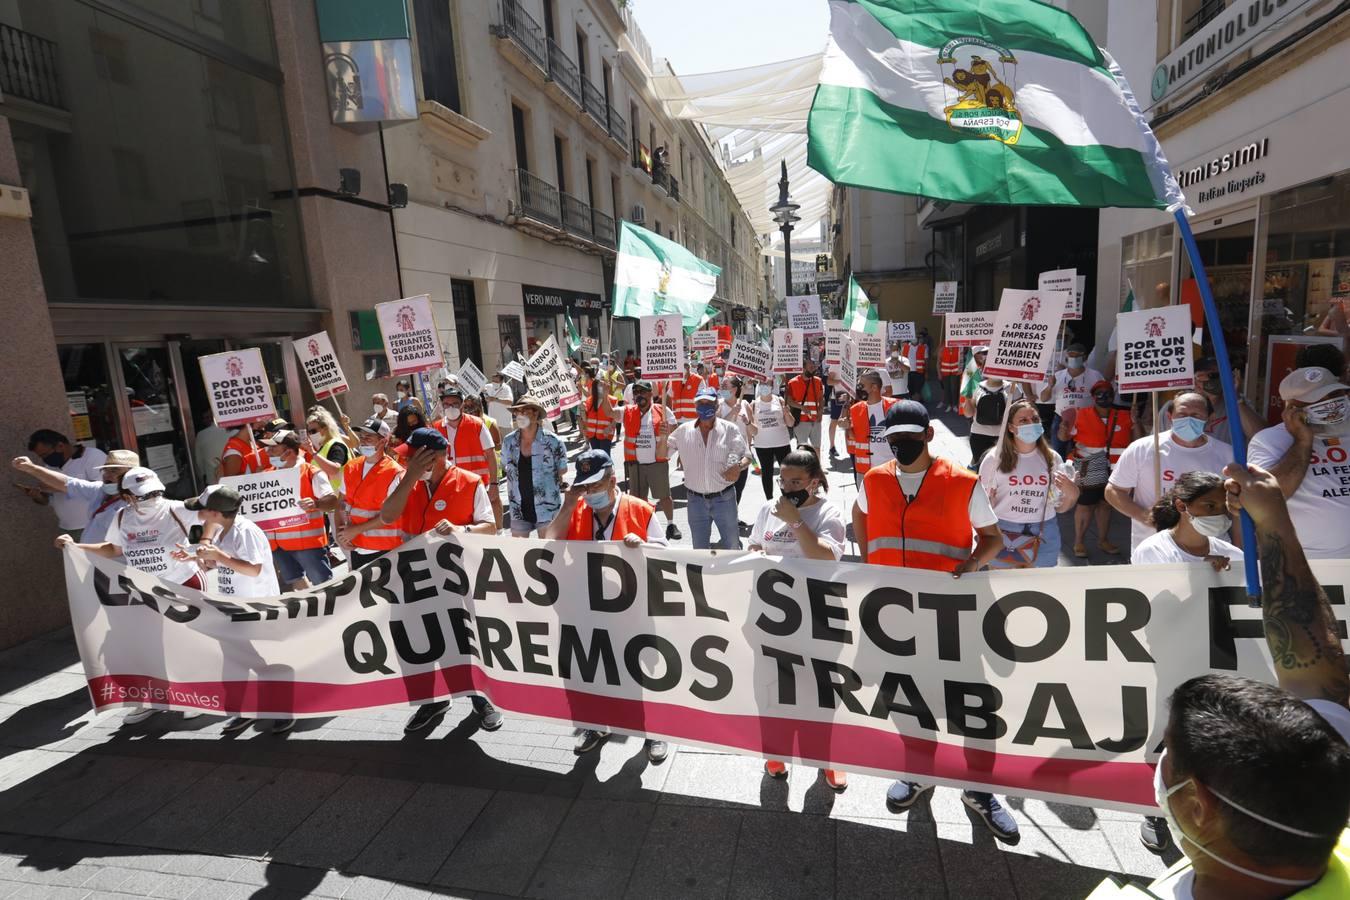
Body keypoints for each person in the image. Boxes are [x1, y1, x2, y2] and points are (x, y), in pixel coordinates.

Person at [1108, 462, 1350, 898]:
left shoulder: (1234, 557)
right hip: (1175, 662)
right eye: (1209, 506)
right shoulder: (1155, 550)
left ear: (1196, 802)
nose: (1218, 513)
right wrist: (1271, 519)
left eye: (1223, 507)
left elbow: (1318, 674)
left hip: (1218, 665)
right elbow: (1322, 680)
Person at [851, 401, 1013, 841]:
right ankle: (919, 774)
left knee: (972, 708)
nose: (901, 445)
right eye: (894, 438)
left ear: (927, 435)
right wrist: (868, 561)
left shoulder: (962, 482)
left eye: (909, 436)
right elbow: (860, 514)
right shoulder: (874, 479)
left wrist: (973, 566)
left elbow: (993, 538)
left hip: (949, 617)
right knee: (906, 702)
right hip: (891, 617)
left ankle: (979, 790)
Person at [543, 450, 669, 761]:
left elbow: (666, 554)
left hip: (632, 610)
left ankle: (652, 731)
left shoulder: (640, 510)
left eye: (596, 486)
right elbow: (550, 541)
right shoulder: (577, 508)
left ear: (613, 480)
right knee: (594, 671)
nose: (590, 493)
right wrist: (569, 504)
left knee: (639, 673)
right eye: (585, 487)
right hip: (588, 609)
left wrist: (644, 547)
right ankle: (596, 725)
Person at [56, 466, 207, 724]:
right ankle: (155, 698)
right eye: (142, 495)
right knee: (149, 644)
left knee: (184, 641)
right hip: (145, 588)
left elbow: (218, 517)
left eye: (153, 492)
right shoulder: (122, 517)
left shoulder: (178, 508)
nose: (150, 498)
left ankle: (193, 694)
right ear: (126, 496)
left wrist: (203, 546)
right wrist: (74, 546)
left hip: (184, 584)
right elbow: (112, 548)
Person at [381, 431, 501, 734]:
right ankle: (432, 702)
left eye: (413, 455)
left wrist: (463, 529)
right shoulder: (404, 480)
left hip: (454, 580)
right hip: (413, 578)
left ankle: (480, 699)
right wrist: (409, 478)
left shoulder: (470, 482)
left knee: (461, 641)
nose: (405, 460)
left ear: (434, 455)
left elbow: (490, 526)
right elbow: (387, 516)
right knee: (417, 641)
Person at [749, 447, 849, 790]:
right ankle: (775, 754)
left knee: (821, 694)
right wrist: (756, 555)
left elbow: (824, 559)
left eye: (795, 481)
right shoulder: (767, 509)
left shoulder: (829, 513)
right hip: (774, 618)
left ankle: (827, 760)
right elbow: (754, 547)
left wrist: (794, 520)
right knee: (774, 690)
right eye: (782, 479)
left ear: (814, 482)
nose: (786, 486)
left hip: (818, 617)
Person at [176, 485, 287, 733]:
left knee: (261, 661)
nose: (198, 513)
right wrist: (194, 557)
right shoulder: (225, 530)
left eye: (201, 509)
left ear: (215, 513)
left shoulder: (244, 530)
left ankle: (282, 708)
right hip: (234, 607)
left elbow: (253, 569)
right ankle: (246, 710)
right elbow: (227, 564)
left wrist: (219, 557)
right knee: (236, 661)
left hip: (255, 607)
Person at [1107, 392, 1235, 557]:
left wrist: (1239, 551)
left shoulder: (1227, 455)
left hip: (1213, 552)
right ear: (1170, 416)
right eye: (1182, 414)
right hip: (1155, 552)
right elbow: (1113, 491)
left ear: (1210, 418)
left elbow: (1236, 507)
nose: (1188, 419)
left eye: (1196, 415)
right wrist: (1146, 516)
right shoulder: (1142, 448)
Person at [1247, 366, 1350, 560]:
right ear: (1291, 408)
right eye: (1318, 400)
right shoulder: (1269, 441)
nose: (1330, 403)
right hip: (1303, 561)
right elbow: (1271, 498)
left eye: (1335, 394)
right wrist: (1302, 441)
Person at [978, 398, 1078, 568]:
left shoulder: (1052, 458)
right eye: (1023, 420)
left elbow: (1060, 507)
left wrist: (1072, 492)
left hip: (1044, 531)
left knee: (1041, 590)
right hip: (1003, 530)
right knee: (1003, 588)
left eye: (1035, 419)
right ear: (1010, 427)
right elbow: (981, 505)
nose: (1031, 423)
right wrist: (989, 503)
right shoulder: (994, 459)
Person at [668, 387, 751, 549]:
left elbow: (746, 455)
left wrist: (738, 466)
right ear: (695, 406)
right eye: (701, 403)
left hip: (724, 499)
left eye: (709, 403)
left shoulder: (730, 429)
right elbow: (662, 453)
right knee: (699, 550)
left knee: (731, 546)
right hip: (695, 502)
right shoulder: (683, 431)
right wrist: (663, 435)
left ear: (716, 406)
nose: (705, 406)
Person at [260, 431, 338, 590]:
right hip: (278, 546)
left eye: (273, 448)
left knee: (324, 586)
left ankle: (332, 612)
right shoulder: (266, 475)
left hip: (308, 545)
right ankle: (315, 612)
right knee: (297, 583)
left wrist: (316, 504)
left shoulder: (311, 472)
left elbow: (332, 502)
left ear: (288, 451)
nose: (268, 452)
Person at [12, 448, 138, 544]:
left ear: (130, 475)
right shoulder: (99, 490)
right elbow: (67, 482)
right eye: (105, 470)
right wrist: (31, 468)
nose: (107, 475)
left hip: (117, 569)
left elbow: (117, 548)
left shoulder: (137, 502)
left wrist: (77, 547)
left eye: (114, 471)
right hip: (98, 563)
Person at [1067, 380, 1132, 558]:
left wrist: (1137, 420)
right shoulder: (1080, 414)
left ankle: (1103, 540)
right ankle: (1078, 542)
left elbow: (1137, 439)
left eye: (1107, 392)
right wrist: (1065, 424)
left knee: (1106, 505)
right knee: (1085, 505)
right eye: (1099, 393)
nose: (1104, 396)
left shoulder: (1126, 415)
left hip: (1116, 466)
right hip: (1089, 464)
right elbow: (1064, 436)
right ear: (1093, 396)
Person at [337, 417, 405, 568]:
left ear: (383, 441)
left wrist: (353, 531)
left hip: (385, 549)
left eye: (369, 437)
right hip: (356, 546)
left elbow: (391, 515)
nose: (363, 440)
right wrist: (340, 534)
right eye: (361, 437)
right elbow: (341, 503)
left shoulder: (395, 472)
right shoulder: (351, 467)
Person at [1154, 357, 1265, 443]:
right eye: (1205, 377)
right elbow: (1156, 445)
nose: (1211, 382)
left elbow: (1261, 438)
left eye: (1216, 376)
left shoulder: (1239, 405)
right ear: (1195, 380)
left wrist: (1235, 396)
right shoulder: (1175, 408)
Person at [501, 395, 568, 537]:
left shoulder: (553, 441)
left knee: (549, 553)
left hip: (547, 507)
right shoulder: (508, 441)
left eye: (525, 411)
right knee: (519, 553)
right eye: (517, 412)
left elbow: (562, 469)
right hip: (518, 507)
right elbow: (504, 465)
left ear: (536, 413)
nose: (520, 415)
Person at [21, 431, 109, 538]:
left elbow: (104, 489)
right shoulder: (51, 465)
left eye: (45, 454)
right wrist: (38, 496)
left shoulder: (93, 456)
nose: (45, 459)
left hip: (92, 526)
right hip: (67, 528)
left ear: (60, 446)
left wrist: (60, 486)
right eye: (41, 456)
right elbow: (52, 500)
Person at [621, 380, 681, 540]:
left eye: (642, 392)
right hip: (636, 466)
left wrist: (666, 431)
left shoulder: (662, 410)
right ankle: (643, 526)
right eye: (636, 392)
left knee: (664, 496)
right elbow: (611, 412)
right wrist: (603, 393)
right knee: (637, 499)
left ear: (650, 394)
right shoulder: (628, 411)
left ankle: (670, 524)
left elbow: (675, 432)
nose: (639, 395)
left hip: (657, 464)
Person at [1039, 343, 1102, 456]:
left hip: (1086, 419)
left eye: (1076, 355)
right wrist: (1049, 386)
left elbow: (1102, 396)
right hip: (1061, 419)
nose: (1073, 358)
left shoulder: (1095, 376)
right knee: (1058, 452)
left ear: (1084, 357)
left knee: (1084, 453)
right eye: (1070, 355)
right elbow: (1043, 398)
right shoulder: (1058, 376)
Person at [847, 370, 899, 480]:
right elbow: (853, 437)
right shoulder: (855, 409)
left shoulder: (896, 406)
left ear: (874, 388)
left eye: (862, 385)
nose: (858, 388)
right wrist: (846, 426)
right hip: (865, 471)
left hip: (892, 469)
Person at [751, 379, 793, 500]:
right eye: (762, 384)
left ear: (772, 386)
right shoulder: (753, 404)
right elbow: (751, 426)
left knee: (786, 473)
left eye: (767, 385)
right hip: (762, 445)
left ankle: (787, 499)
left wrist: (787, 413)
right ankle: (769, 499)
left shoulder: (779, 401)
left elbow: (790, 423)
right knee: (767, 473)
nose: (764, 387)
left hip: (782, 443)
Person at [717, 375, 753, 508]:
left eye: (725, 387)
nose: (722, 389)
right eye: (721, 387)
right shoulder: (719, 404)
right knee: (726, 488)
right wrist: (732, 412)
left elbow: (754, 431)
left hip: (743, 455)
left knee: (739, 488)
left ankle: (734, 516)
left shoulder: (744, 404)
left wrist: (748, 423)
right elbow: (717, 427)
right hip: (724, 452)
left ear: (735, 389)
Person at [303, 406, 355, 495]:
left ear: (325, 428)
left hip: (340, 498)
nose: (311, 434)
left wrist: (313, 453)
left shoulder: (336, 445)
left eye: (313, 431)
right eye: (309, 432)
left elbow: (334, 469)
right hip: (329, 500)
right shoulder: (324, 447)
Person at [966, 371, 1011, 465]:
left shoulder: (1012, 387)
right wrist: (967, 398)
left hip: (1003, 436)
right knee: (980, 466)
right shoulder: (977, 386)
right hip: (979, 435)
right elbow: (968, 414)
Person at [785, 358, 825, 448]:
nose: (813, 369)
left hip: (816, 421)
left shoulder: (818, 381)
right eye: (810, 367)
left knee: (817, 448)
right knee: (802, 448)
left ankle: (817, 462)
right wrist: (801, 407)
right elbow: (789, 400)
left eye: (813, 367)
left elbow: (821, 398)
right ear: (802, 369)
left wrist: (820, 411)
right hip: (800, 421)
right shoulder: (792, 382)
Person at [581, 372, 619, 454]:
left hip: (606, 433)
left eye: (603, 385)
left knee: (605, 458)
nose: (602, 387)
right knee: (596, 458)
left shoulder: (613, 400)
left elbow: (616, 417)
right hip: (592, 434)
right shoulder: (589, 401)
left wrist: (610, 427)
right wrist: (582, 411)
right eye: (600, 385)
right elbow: (586, 418)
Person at [193, 409, 230, 487]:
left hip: (213, 480)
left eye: (208, 417)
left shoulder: (201, 435)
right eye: (204, 418)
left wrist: (202, 476)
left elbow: (198, 461)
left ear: (212, 417)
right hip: (236, 477)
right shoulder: (236, 431)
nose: (206, 420)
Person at [938, 343, 964, 411]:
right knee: (947, 389)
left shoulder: (959, 347)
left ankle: (955, 405)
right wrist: (939, 373)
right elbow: (938, 361)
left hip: (955, 372)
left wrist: (961, 371)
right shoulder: (942, 347)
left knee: (954, 388)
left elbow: (962, 359)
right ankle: (949, 405)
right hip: (945, 372)